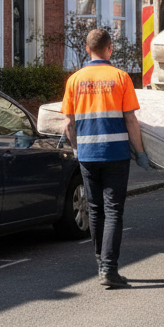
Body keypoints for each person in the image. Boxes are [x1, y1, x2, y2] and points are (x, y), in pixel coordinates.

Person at [60, 28, 151, 289]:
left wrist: (78, 150)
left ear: (87, 50)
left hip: (88, 156)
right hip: (115, 154)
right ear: (110, 49)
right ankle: (110, 269)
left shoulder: (74, 80)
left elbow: (68, 124)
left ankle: (101, 263)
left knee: (96, 210)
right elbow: (131, 119)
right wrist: (141, 153)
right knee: (113, 211)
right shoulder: (121, 78)